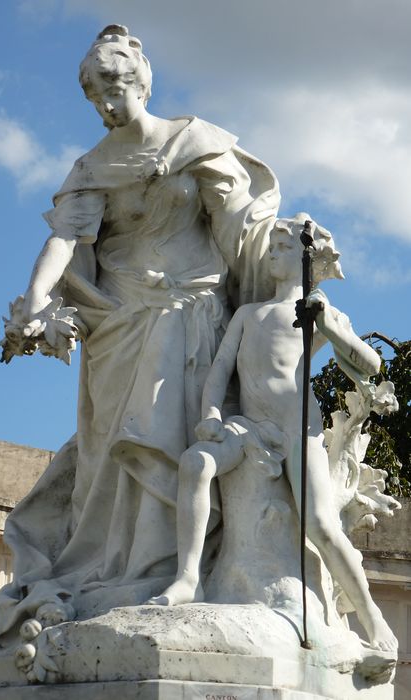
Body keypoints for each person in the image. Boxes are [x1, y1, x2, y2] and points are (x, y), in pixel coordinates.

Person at [0, 24, 281, 644]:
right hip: (117, 323)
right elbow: (65, 238)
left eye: (114, 87)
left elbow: (241, 231)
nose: (104, 103)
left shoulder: (196, 142)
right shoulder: (92, 166)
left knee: (167, 437)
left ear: (140, 83)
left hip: (192, 312)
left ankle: (170, 571)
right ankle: (112, 569)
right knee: (108, 457)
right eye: (94, 94)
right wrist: (37, 302)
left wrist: (284, 269)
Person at [150, 215, 397, 653]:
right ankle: (188, 578)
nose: (272, 256)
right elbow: (220, 370)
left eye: (283, 249)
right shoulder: (250, 314)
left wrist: (329, 327)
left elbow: (370, 365)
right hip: (248, 425)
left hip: (299, 426)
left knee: (320, 524)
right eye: (273, 248)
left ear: (309, 258)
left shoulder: (321, 313)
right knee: (195, 463)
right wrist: (210, 411)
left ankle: (372, 618)